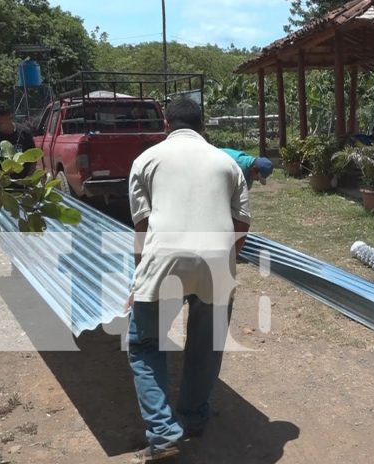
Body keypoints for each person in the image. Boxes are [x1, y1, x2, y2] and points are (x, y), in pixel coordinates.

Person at [127, 97, 251, 462]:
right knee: (206, 343)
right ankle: (193, 418)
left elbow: (142, 230)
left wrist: (138, 283)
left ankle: (164, 434)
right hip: (217, 261)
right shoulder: (227, 162)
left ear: (166, 123)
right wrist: (228, 258)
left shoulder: (146, 160)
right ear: (203, 124)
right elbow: (241, 221)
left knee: (146, 344)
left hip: (164, 260)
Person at [0, 101, 36, 178]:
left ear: (10, 117)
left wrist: (29, 179)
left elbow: (33, 159)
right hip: (0, 182)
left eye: (0, 123)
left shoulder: (25, 133)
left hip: (22, 183)